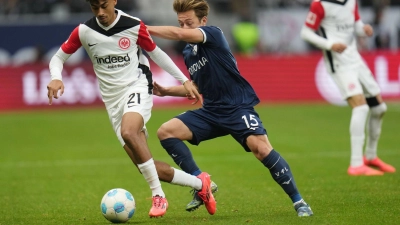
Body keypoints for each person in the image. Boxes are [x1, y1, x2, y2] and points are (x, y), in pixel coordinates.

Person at [46, 0, 216, 218]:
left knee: (129, 131)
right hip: (113, 101)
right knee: (144, 164)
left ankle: (158, 196)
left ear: (114, 1)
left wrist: (184, 80)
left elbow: (156, 53)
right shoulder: (84, 31)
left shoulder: (132, 25)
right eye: (94, 8)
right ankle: (201, 184)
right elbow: (58, 57)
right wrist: (55, 78)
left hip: (137, 86)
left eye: (104, 6)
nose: (100, 12)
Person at [147, 0, 313, 217]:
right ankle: (202, 183)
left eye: (189, 23)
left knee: (261, 149)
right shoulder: (189, 53)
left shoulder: (213, 34)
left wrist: (145, 30)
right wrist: (166, 91)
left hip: (237, 107)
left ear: (203, 21)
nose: (184, 28)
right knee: (166, 132)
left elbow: (179, 35)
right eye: (181, 23)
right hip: (211, 112)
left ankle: (299, 202)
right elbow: (198, 86)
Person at [300, 0, 396, 176]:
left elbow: (356, 24)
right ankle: (356, 164)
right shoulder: (319, 4)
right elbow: (306, 33)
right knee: (361, 107)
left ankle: (371, 156)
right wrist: (330, 45)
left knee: (379, 108)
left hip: (355, 58)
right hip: (338, 62)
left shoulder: (351, 1)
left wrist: (363, 29)